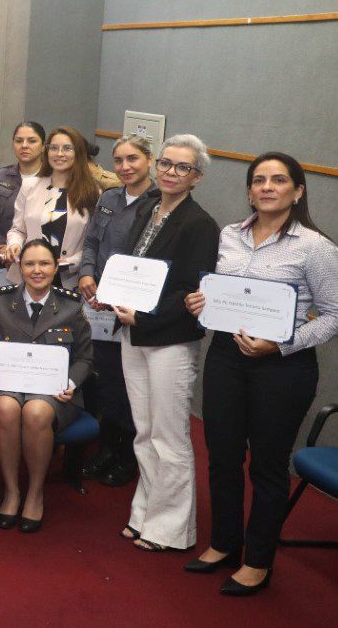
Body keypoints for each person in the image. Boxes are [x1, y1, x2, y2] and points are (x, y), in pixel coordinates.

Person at [183, 152, 337, 596]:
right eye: (259, 181)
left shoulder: (315, 247)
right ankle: (225, 544)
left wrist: (283, 343)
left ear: (298, 190)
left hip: (282, 368)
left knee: (268, 466)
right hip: (226, 358)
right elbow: (222, 291)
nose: (267, 187)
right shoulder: (230, 235)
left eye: (279, 180)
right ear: (249, 190)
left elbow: (333, 315)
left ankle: (257, 560)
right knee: (222, 456)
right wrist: (201, 302)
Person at [111, 134, 219, 553]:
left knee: (170, 435)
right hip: (132, 331)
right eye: (167, 164)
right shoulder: (149, 210)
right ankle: (144, 514)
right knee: (144, 430)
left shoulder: (199, 224)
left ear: (197, 177)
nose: (172, 173)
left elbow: (193, 292)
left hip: (170, 339)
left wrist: (145, 314)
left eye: (183, 168)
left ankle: (172, 529)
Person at [0, 239, 92, 533]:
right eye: (29, 264)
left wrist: (71, 382)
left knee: (36, 412)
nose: (36, 270)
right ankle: (12, 490)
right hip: (9, 385)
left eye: (44, 264)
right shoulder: (0, 301)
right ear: (20, 267)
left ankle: (35, 492)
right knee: (4, 406)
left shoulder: (71, 305)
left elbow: (84, 358)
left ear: (56, 268)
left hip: (55, 392)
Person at [75, 134, 156, 487]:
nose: (125, 167)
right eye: (119, 160)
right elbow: (91, 241)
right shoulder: (108, 197)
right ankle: (107, 448)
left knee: (131, 384)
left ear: (149, 160)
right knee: (106, 378)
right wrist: (87, 273)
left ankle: (127, 456)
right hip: (100, 305)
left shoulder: (159, 203)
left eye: (133, 159)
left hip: (135, 309)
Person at [2, 126, 106, 288]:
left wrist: (74, 262)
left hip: (68, 280)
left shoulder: (92, 192)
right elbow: (18, 230)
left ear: (78, 153)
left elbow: (93, 243)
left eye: (67, 149)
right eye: (54, 148)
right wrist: (14, 244)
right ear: (47, 151)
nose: (59, 154)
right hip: (29, 277)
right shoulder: (30, 185)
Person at [0, 121, 46, 290]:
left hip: (42, 268)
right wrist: (5, 249)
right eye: (19, 141)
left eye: (32, 141)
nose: (24, 146)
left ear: (43, 145)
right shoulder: (1, 176)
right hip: (5, 263)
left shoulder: (53, 179)